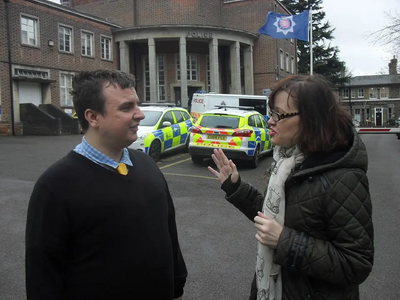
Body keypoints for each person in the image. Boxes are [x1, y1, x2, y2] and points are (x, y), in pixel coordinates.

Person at [208, 74, 374, 300]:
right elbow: (274, 218)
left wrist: (285, 241)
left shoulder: (343, 178)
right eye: (271, 113)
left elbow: (357, 263)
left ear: (310, 119)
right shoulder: (289, 162)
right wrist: (236, 187)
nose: (270, 121)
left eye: (278, 114)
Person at [25, 70, 187, 300]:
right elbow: (42, 276)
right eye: (126, 107)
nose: (139, 114)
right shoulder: (55, 185)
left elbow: (169, 233)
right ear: (93, 117)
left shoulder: (146, 164)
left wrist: (176, 284)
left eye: (137, 105)